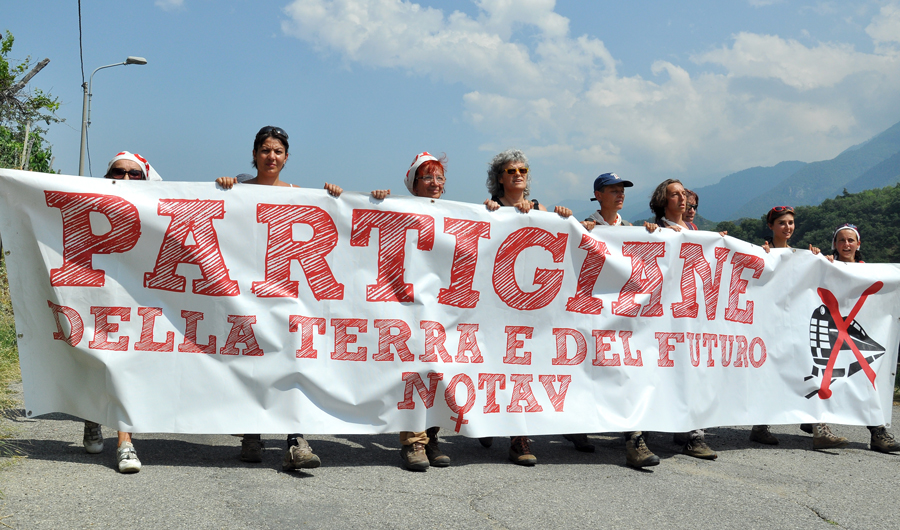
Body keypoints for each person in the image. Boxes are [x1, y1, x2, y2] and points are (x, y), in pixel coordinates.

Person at [216, 125, 342, 471]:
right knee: (252, 361)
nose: (271, 156)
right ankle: (251, 434)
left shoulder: (299, 195)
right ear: (254, 154)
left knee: (291, 362)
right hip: (246, 294)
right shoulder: (237, 190)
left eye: (278, 151)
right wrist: (223, 188)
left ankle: (295, 440)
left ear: (286, 158)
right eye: (265, 150)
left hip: (286, 294)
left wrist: (333, 197)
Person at [370, 152, 499, 471]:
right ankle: (412, 441)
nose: (435, 183)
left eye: (440, 177)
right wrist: (377, 202)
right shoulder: (398, 210)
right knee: (413, 370)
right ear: (413, 184)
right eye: (427, 177)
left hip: (444, 308)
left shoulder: (453, 214)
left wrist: (493, 213)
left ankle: (431, 436)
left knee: (440, 369)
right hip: (406, 304)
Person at [482, 148, 573, 466]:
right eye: (511, 171)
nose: (518, 174)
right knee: (495, 367)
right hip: (496, 304)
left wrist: (561, 217)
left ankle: (518, 438)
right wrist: (492, 212)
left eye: (523, 170)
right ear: (499, 178)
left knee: (523, 370)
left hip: (531, 305)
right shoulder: (489, 209)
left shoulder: (539, 209)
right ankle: (487, 420)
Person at [81, 151, 162, 474]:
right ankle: (92, 417)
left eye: (134, 173)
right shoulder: (89, 203)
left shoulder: (156, 211)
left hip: (136, 300)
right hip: (96, 294)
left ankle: (124, 442)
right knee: (96, 359)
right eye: (118, 171)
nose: (126, 177)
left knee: (126, 363)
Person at [582, 172, 660, 469]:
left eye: (622, 189)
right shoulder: (585, 226)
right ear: (598, 195)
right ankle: (575, 426)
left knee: (628, 372)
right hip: (590, 315)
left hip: (622, 318)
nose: (620, 194)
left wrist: (650, 234)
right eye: (613, 190)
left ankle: (634, 440)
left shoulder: (630, 230)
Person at [756, 207, 849, 449]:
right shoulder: (761, 252)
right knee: (770, 375)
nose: (787, 227)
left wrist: (822, 261)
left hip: (796, 324)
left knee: (810, 371)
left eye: (790, 223)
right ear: (771, 226)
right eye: (782, 223)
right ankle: (760, 426)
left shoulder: (801, 255)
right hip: (768, 326)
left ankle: (820, 429)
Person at [828, 223, 900, 453]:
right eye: (841, 240)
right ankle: (816, 423)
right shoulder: (827, 267)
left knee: (867, 380)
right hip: (830, 332)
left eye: (851, 240)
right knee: (826, 379)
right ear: (835, 244)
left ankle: (878, 433)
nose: (846, 244)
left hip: (856, 334)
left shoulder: (871, 273)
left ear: (858, 244)